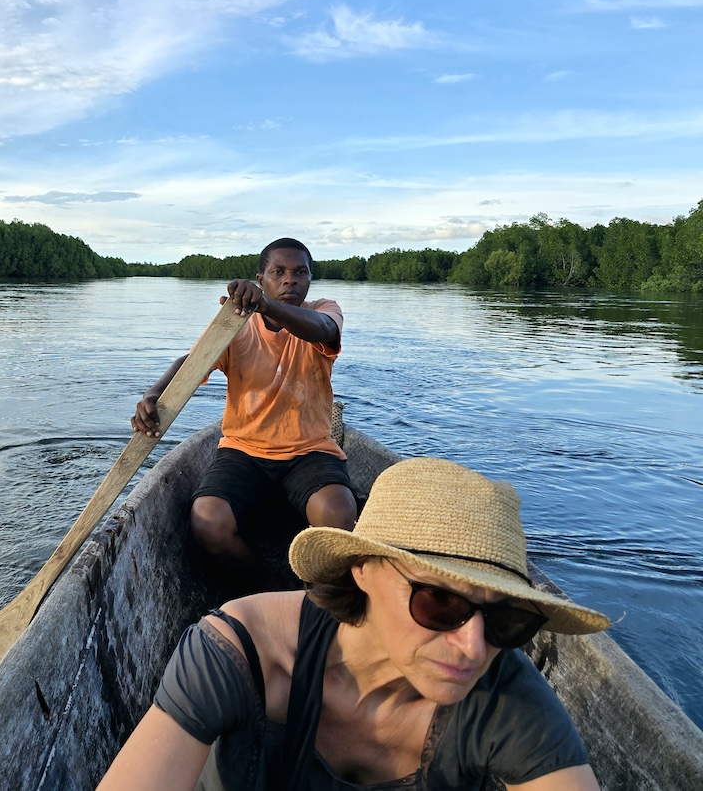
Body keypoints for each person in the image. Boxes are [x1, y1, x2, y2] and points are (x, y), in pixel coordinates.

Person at [96, 457, 611, 791]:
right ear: (362, 568)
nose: (474, 647)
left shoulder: (505, 697)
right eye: (439, 601)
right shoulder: (242, 652)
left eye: (505, 618)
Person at [132, 238, 356, 583]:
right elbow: (192, 363)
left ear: (310, 279)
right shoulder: (235, 325)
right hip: (243, 450)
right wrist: (154, 392)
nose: (290, 280)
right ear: (261, 277)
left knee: (339, 518)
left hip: (309, 449)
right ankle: (265, 584)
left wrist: (265, 305)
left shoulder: (323, 311)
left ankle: (322, 592)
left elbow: (323, 330)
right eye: (277, 272)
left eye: (300, 272)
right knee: (208, 522)